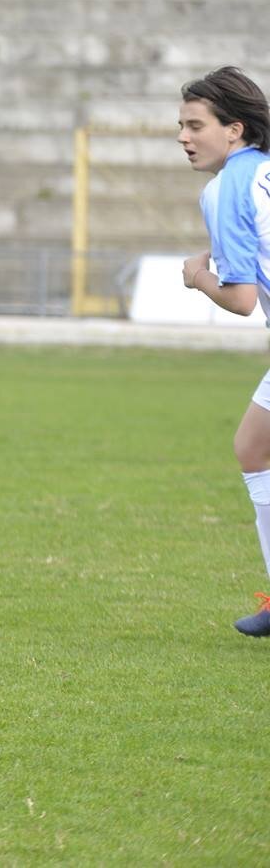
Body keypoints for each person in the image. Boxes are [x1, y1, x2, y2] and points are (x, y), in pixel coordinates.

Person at [178, 67, 270, 637]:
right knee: (253, 448)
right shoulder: (261, 170)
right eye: (180, 126)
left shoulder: (224, 188)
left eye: (196, 125)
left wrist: (196, 276)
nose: (185, 138)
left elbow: (239, 301)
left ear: (233, 129)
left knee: (254, 450)